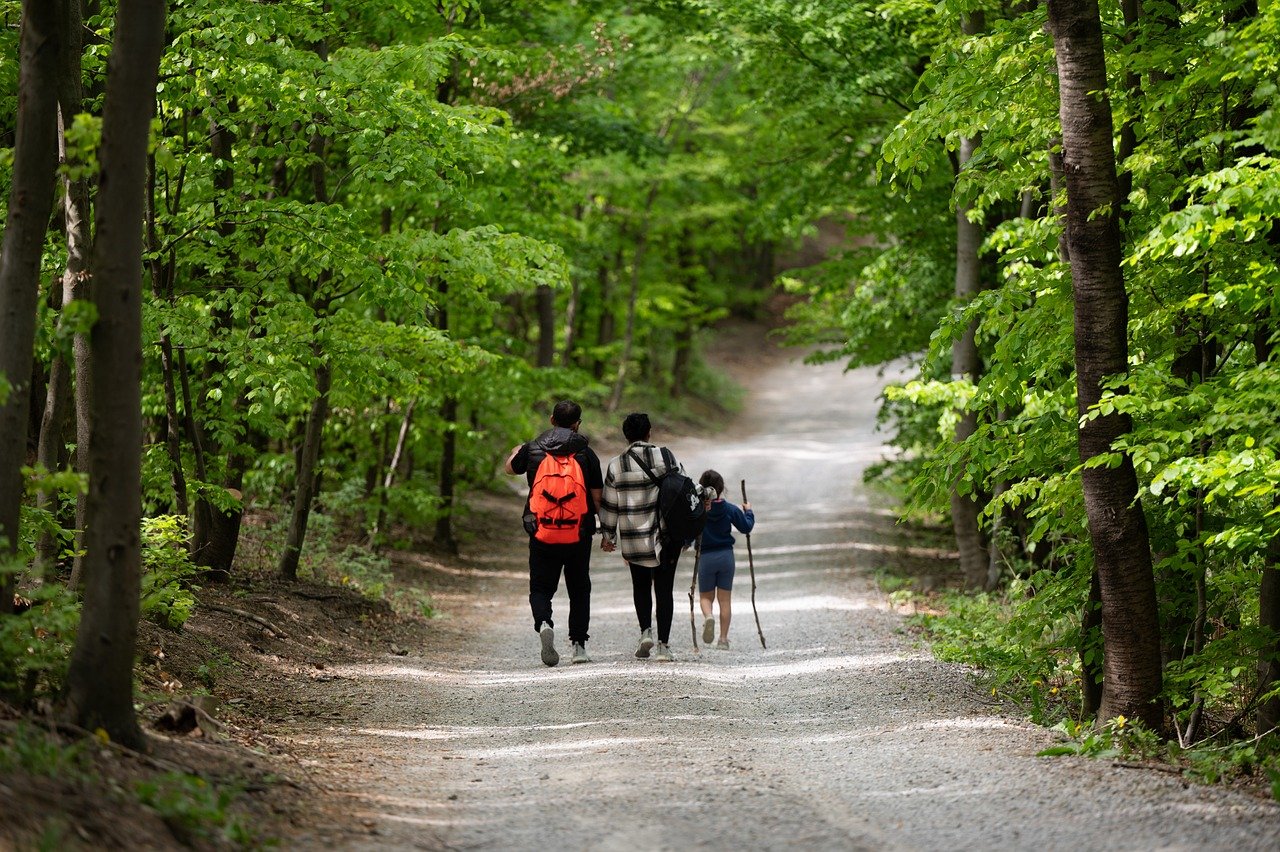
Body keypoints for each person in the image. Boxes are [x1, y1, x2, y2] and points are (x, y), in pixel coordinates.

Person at [505, 400, 603, 667]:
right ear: (577, 424)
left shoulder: (533, 448)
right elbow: (596, 497)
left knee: (540, 587)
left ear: (551, 420)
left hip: (541, 530)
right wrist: (606, 530)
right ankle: (579, 646)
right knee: (579, 588)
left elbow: (510, 468)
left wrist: (516, 451)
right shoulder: (586, 453)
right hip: (578, 531)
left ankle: (544, 622)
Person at [599, 412, 698, 662]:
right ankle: (664, 646)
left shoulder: (615, 465)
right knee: (664, 589)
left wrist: (608, 535)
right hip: (665, 537)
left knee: (640, 585)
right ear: (649, 432)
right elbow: (686, 487)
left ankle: (645, 632)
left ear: (626, 435)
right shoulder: (665, 456)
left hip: (634, 539)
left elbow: (609, 505)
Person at [696, 470, 754, 650]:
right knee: (725, 600)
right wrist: (749, 512)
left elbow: (689, 531)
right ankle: (722, 639)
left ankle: (708, 617)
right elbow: (746, 527)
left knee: (706, 597)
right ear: (721, 489)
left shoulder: (699, 510)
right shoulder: (729, 509)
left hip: (705, 557)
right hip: (726, 557)